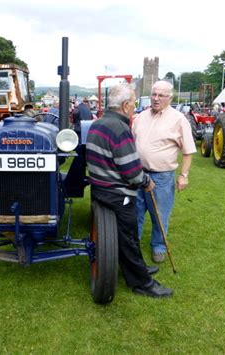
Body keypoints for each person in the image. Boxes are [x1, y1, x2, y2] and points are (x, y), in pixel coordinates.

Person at [86, 83, 173, 298]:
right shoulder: (120, 129)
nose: (134, 107)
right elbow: (131, 171)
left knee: (123, 237)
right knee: (128, 238)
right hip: (118, 194)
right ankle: (142, 283)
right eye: (133, 103)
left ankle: (137, 269)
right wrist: (146, 182)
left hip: (100, 190)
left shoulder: (98, 124)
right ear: (125, 105)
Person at [132, 80, 196, 264]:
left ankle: (158, 246)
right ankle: (132, 245)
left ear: (170, 98)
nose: (156, 98)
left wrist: (184, 176)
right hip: (138, 175)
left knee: (159, 214)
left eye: (161, 95)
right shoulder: (141, 116)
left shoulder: (179, 120)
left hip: (161, 177)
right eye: (153, 94)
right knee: (135, 212)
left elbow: (188, 151)